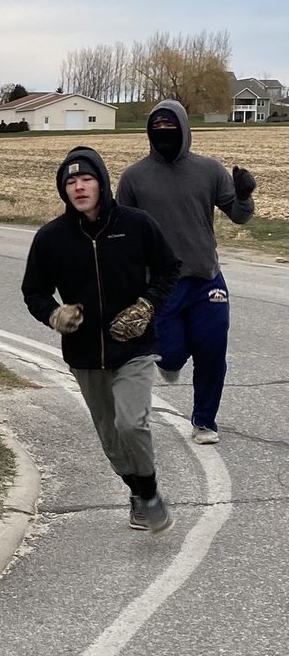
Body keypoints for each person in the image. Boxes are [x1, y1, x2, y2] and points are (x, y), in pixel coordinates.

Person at [22, 146, 181, 534]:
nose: (79, 187)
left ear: (103, 182)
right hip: (85, 354)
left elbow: (169, 269)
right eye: (71, 182)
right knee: (111, 438)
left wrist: (147, 305)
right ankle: (139, 492)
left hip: (135, 348)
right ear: (63, 190)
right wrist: (53, 314)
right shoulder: (51, 238)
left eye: (86, 179)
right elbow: (34, 292)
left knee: (131, 424)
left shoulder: (137, 224)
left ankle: (151, 492)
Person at [117, 100, 256, 446]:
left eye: (171, 128)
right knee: (172, 355)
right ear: (149, 133)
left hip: (207, 278)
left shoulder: (209, 170)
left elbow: (239, 216)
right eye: (157, 128)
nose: (164, 134)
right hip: (162, 286)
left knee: (212, 350)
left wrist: (244, 194)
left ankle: (205, 421)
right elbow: (123, 232)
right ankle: (172, 360)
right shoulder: (134, 177)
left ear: (184, 129)